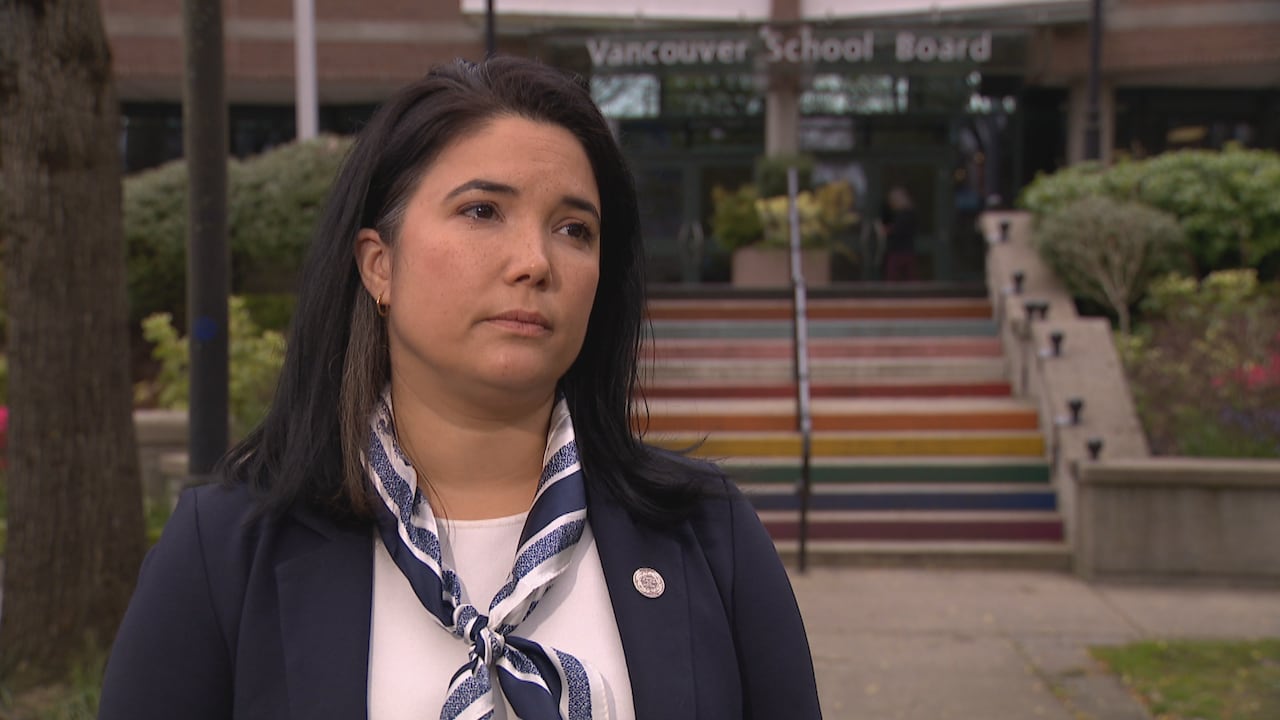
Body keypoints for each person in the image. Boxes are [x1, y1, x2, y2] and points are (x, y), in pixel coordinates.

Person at [98, 56, 821, 720]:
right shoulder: (224, 551)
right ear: (378, 265)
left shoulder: (708, 536)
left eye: (575, 229)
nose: (535, 261)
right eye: (483, 211)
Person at [877, 186, 917, 282]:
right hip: (906, 249)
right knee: (909, 278)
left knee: (894, 278)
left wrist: (886, 230)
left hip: (899, 250)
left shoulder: (905, 215)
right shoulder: (906, 213)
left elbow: (899, 230)